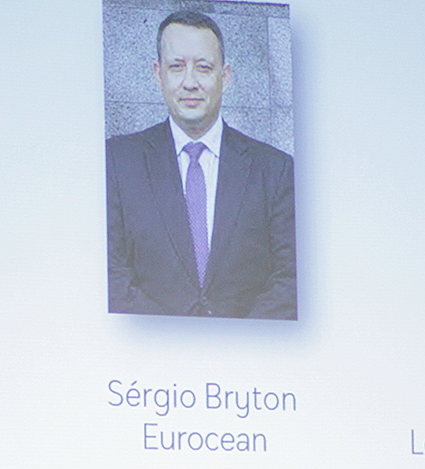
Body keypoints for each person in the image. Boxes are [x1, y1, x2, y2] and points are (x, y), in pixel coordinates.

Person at [106, 10, 296, 319]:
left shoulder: (275, 170)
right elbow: (110, 272)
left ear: (226, 75)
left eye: (204, 68)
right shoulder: (117, 162)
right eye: (177, 66)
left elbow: (289, 279)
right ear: (158, 73)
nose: (190, 82)